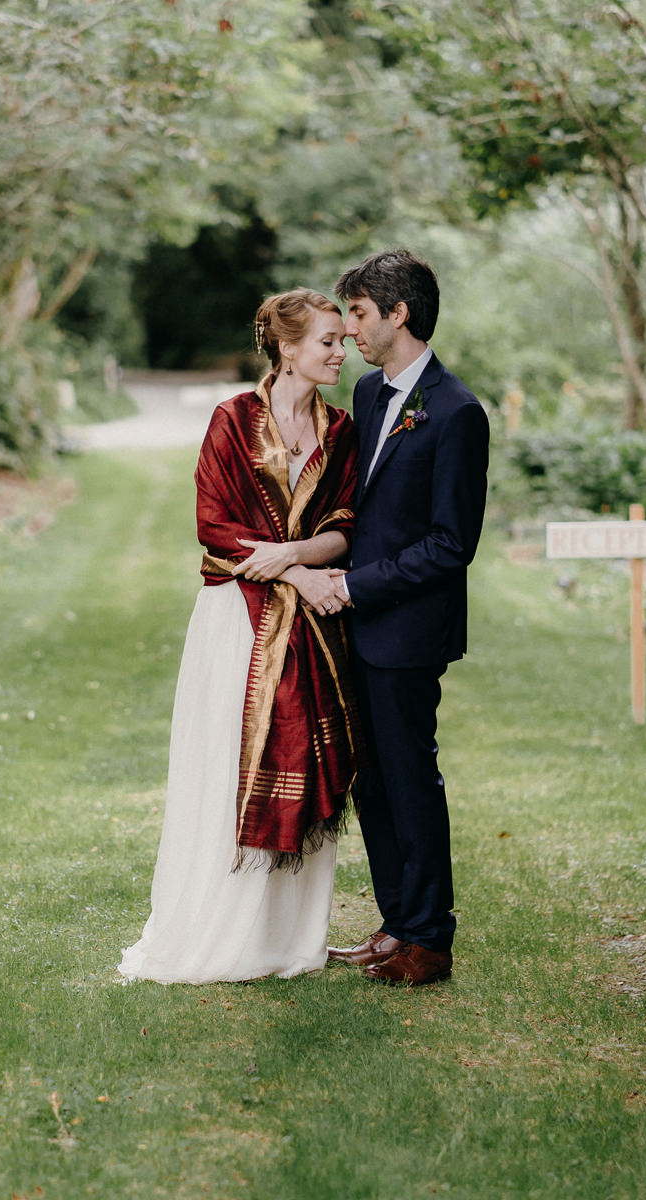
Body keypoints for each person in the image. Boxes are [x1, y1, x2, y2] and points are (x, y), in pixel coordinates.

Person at [118, 288, 363, 984]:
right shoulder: (232, 421)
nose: (341, 352)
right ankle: (220, 933)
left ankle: (289, 942)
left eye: (343, 341)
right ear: (287, 347)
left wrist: (291, 561)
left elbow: (344, 529)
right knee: (225, 768)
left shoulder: (341, 430)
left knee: (309, 765)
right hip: (236, 624)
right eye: (327, 342)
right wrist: (299, 573)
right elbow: (214, 527)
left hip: (312, 623)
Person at [316, 249, 489, 988]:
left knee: (412, 779)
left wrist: (354, 586)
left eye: (358, 314)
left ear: (399, 314)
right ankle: (395, 925)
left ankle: (430, 940)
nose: (349, 329)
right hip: (358, 628)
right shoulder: (369, 395)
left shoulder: (456, 412)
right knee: (373, 783)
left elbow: (452, 545)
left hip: (410, 631)